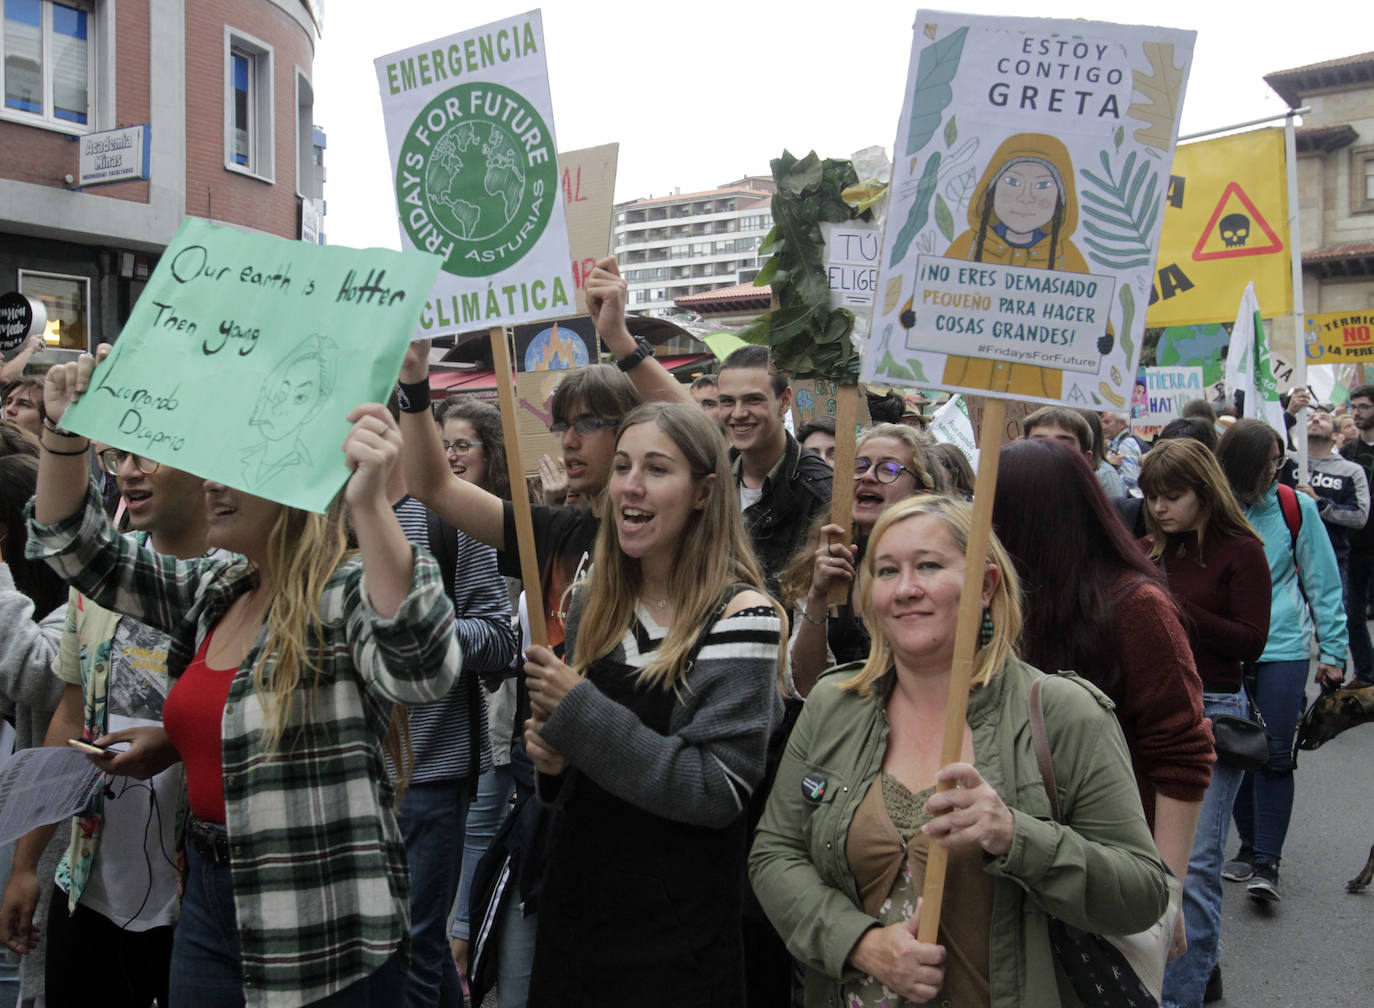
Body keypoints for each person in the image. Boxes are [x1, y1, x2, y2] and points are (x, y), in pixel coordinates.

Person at [28, 350, 461, 1007]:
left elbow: (423, 666)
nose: (213, 485)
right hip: (207, 897)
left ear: (300, 476)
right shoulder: (221, 585)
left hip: (321, 921)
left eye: (239, 466)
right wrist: (62, 432)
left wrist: (369, 502)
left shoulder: (343, 588)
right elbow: (78, 550)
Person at [749, 494, 1169, 1007]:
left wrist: (1015, 835)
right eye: (885, 571)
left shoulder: (1064, 714)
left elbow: (1142, 894)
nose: (906, 589)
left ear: (986, 585)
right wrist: (859, 944)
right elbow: (775, 854)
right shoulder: (833, 706)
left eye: (928, 565)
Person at [519, 402, 784, 1007]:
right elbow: (584, 771)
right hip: (579, 911)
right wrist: (553, 764)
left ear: (703, 492)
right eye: (622, 466)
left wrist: (579, 712)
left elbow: (715, 790)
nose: (630, 486)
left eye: (657, 469)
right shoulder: (592, 604)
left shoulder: (744, 618)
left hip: (675, 939)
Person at [2, 448, 208, 1008]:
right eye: (119, 455)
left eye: (152, 456)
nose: (127, 471)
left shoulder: (242, 585)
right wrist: (26, 865)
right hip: (89, 884)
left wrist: (174, 746)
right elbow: (70, 717)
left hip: (198, 902)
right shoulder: (100, 580)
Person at [992, 437, 1212, 960]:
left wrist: (1167, 889)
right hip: (1016, 853)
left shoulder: (1136, 606)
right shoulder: (995, 601)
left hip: (1112, 858)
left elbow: (1182, 752)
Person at [391, 395, 517, 1008]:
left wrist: (421, 627)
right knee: (406, 952)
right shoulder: (312, 518)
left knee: (413, 946)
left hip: (427, 782)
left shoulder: (447, 519)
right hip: (340, 775)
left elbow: (499, 639)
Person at [1139, 439, 1272, 1008]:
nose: (1160, 507)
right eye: (1151, 496)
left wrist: (1169, 607)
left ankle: (1180, 997)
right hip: (1152, 706)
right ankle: (1197, 968)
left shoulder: (1241, 551)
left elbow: (1250, 641)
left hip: (1214, 706)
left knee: (1193, 867)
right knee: (1151, 855)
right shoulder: (1150, 548)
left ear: (1205, 492)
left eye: (1173, 496)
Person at [1216, 419, 1347, 903]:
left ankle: (1267, 861)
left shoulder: (1296, 507)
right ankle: (1248, 845)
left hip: (1283, 649)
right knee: (1232, 749)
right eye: (1271, 460)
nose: (1280, 467)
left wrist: (1332, 653)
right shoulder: (1210, 506)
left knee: (1272, 754)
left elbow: (1324, 583)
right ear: (1246, 463)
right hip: (1225, 649)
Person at [781, 424, 940, 697]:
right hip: (845, 726)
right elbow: (807, 685)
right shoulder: (828, 558)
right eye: (860, 465)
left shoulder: (940, 567)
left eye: (888, 469)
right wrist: (818, 595)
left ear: (921, 494)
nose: (867, 476)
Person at [716, 344, 832, 598]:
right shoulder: (710, 480)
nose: (737, 413)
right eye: (727, 401)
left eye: (752, 399)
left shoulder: (821, 492)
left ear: (785, 401)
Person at [1341, 384, 1374, 688]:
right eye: (1353, 407)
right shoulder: (1348, 453)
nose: (1356, 413)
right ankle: (1366, 675)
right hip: (1356, 547)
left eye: (1363, 406)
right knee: (1353, 616)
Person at [1102, 410, 1144, 494]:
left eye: (1107, 422)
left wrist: (1110, 466)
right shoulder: (1118, 443)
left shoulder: (1126, 444)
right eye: (1102, 422)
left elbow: (1131, 481)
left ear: (1121, 424)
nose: (1103, 427)